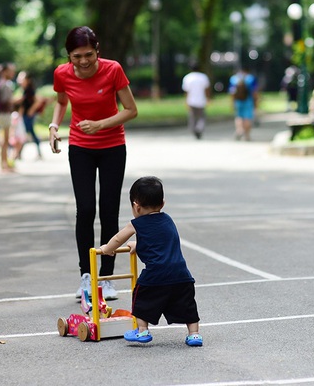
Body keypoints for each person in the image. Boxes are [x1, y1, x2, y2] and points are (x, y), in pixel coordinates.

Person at [49, 26, 138, 301]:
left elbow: (131, 110)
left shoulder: (113, 70)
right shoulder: (62, 73)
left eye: (88, 54)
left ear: (97, 50)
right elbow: (61, 102)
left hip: (112, 146)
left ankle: (108, 278)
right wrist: (54, 125)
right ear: (69, 56)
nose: (84, 61)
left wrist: (100, 125)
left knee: (108, 211)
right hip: (80, 147)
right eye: (77, 56)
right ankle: (87, 277)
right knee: (85, 210)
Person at [100, 176, 202, 346]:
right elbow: (160, 243)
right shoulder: (168, 220)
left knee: (141, 298)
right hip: (181, 274)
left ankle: (142, 331)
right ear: (162, 203)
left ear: (136, 206)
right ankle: (194, 334)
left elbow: (118, 239)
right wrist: (138, 244)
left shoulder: (136, 224)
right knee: (187, 305)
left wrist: (106, 249)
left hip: (156, 274)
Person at [15, 70, 44, 160]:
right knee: (28, 133)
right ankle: (19, 153)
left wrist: (31, 110)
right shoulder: (23, 90)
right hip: (24, 115)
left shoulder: (29, 90)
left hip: (28, 116)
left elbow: (38, 101)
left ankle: (19, 153)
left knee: (26, 133)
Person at [181, 63, 210, 139]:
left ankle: (194, 129)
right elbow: (206, 89)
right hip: (201, 99)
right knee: (201, 116)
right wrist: (208, 98)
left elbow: (186, 91)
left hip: (191, 100)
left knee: (192, 116)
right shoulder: (203, 77)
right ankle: (199, 128)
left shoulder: (187, 78)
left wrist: (186, 100)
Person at [228, 67, 257, 141]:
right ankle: (247, 135)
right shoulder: (251, 78)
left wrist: (232, 103)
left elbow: (232, 93)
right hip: (248, 101)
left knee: (239, 116)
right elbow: (254, 92)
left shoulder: (233, 79)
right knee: (248, 117)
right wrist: (256, 102)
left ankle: (239, 130)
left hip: (238, 101)